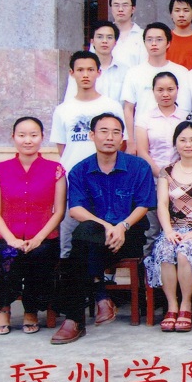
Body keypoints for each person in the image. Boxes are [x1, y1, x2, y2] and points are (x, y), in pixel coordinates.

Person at [51, 113, 155, 344]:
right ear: (92, 135)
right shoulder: (79, 170)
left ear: (122, 138)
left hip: (130, 234)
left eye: (116, 132)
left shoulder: (138, 167)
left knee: (80, 249)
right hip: (97, 234)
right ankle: (99, 297)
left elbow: (144, 204)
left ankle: (78, 316)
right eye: (104, 131)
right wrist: (108, 226)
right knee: (86, 236)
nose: (110, 137)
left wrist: (122, 227)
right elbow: (75, 209)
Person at [0, 117, 66, 335]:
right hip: (7, 237)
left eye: (33, 135)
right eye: (22, 135)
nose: (28, 140)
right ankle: (4, 309)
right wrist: (11, 239)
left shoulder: (56, 169)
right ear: (13, 137)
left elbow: (59, 211)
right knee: (7, 254)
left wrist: (39, 238)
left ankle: (31, 310)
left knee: (39, 256)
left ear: (42, 137)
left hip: (44, 238)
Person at [143, 121, 192, 333]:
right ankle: (172, 306)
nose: (188, 144)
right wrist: (168, 231)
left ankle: (186, 305)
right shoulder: (166, 172)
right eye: (183, 140)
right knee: (166, 250)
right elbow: (162, 204)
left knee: (185, 252)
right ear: (175, 143)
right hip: (173, 229)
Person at [51, 51, 126, 259]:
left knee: (104, 237)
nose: (85, 75)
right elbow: (62, 148)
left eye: (91, 70)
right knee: (68, 239)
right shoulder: (62, 110)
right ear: (71, 73)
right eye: (80, 70)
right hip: (74, 182)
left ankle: (104, 276)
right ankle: (68, 275)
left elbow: (121, 143)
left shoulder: (111, 106)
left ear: (99, 73)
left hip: (105, 180)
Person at [121, 22, 192, 155]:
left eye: (159, 39)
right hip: (143, 138)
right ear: (144, 43)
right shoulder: (134, 72)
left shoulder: (181, 72)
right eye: (149, 40)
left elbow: (185, 107)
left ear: (168, 43)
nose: (154, 44)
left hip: (176, 139)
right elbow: (128, 109)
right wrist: (131, 141)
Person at [135, 71, 188, 178]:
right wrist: (162, 176)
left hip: (182, 177)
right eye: (160, 90)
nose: (165, 94)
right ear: (153, 91)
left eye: (170, 89)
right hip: (151, 177)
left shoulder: (186, 118)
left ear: (177, 89)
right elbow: (142, 152)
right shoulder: (144, 119)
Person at [65, 20, 127, 103]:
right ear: (92, 41)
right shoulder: (80, 70)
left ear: (115, 42)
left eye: (109, 37)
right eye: (100, 37)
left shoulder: (125, 71)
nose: (104, 41)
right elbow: (70, 100)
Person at [105, 0, 147, 68]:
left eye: (125, 5)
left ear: (133, 9)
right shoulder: (102, 35)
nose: (120, 9)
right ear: (111, 8)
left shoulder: (144, 36)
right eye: (116, 5)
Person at [166, 0, 192, 70]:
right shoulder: (164, 39)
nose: (181, 15)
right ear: (171, 14)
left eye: (186, 10)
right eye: (177, 10)